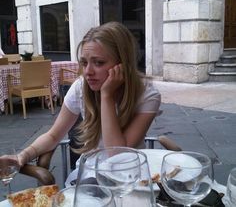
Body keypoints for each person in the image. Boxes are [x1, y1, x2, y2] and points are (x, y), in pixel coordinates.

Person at [17, 21, 161, 183]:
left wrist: (107, 96)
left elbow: (118, 156)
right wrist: (22, 156)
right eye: (84, 63)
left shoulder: (147, 95)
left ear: (123, 64)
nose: (88, 72)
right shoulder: (80, 88)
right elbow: (53, 135)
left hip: (130, 176)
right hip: (90, 173)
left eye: (98, 63)